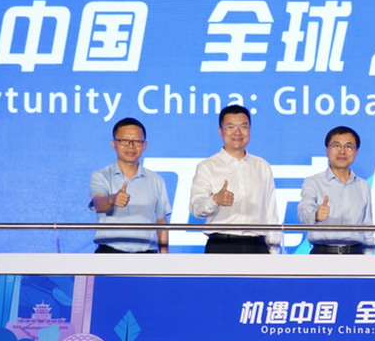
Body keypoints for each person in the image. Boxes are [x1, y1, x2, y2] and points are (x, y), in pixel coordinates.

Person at [189, 105, 279, 253]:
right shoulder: (207, 166)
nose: (237, 132)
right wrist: (215, 200)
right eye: (230, 127)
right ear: (221, 132)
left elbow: (270, 212)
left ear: (250, 130)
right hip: (221, 245)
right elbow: (196, 209)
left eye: (243, 127)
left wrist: (273, 252)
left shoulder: (262, 166)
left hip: (257, 246)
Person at [89, 118, 170, 253]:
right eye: (124, 140)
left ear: (144, 145)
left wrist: (164, 258)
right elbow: (98, 204)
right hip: (110, 254)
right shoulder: (100, 176)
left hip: (147, 256)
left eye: (137, 141)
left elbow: (161, 224)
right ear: (114, 144)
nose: (131, 146)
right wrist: (112, 199)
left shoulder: (156, 180)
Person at [298, 126, 375, 254]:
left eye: (348, 147)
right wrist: (315, 215)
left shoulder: (363, 186)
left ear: (356, 152)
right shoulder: (313, 182)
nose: (342, 151)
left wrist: (368, 257)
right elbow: (302, 213)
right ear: (326, 151)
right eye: (336, 146)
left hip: (355, 254)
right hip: (322, 254)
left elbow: (367, 228)